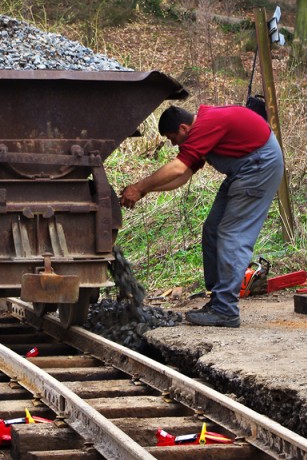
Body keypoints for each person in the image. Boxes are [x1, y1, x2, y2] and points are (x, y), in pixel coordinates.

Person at [120, 104, 283, 328]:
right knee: (213, 230)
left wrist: (139, 186)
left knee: (231, 235)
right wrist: (145, 191)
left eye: (172, 137)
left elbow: (177, 168)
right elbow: (183, 176)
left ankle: (226, 310)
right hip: (243, 169)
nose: (172, 143)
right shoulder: (200, 132)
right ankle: (218, 301)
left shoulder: (206, 126)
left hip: (259, 167)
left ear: (184, 128)